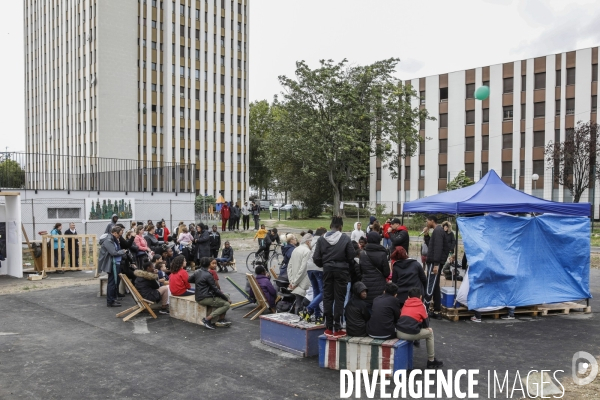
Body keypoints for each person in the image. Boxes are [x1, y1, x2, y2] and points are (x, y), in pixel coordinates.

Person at [313, 216, 355, 338]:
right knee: (339, 299)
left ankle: (328, 327)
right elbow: (351, 255)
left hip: (327, 270)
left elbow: (316, 258)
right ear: (340, 227)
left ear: (330, 226)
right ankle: (337, 328)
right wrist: (345, 264)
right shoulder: (345, 238)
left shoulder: (321, 239)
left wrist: (325, 264)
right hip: (341, 271)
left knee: (327, 297)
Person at [396, 287, 443, 368]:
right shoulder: (422, 306)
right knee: (430, 333)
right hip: (410, 333)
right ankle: (431, 360)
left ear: (408, 297)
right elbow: (426, 324)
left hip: (399, 332)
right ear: (421, 297)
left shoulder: (405, 304)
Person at [189, 256, 232, 329]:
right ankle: (207, 319)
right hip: (204, 298)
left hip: (201, 295)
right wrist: (226, 299)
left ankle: (221, 319)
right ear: (209, 264)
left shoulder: (197, 271)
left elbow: (189, 280)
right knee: (227, 304)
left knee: (226, 296)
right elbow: (215, 290)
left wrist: (199, 282)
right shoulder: (208, 274)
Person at [301, 227, 327, 324]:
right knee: (324, 292)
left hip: (309, 268)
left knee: (316, 292)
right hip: (318, 268)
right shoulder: (322, 241)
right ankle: (309, 309)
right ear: (323, 234)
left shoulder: (311, 241)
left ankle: (317, 316)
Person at [359, 231, 390, 311]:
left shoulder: (363, 253)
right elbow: (387, 273)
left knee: (367, 310)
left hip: (366, 286)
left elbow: (360, 270)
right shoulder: (383, 254)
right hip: (380, 286)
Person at [425, 215, 448, 319]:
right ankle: (437, 310)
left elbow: (438, 248)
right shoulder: (436, 231)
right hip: (434, 261)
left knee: (430, 285)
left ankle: (425, 308)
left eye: (427, 221)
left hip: (434, 263)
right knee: (435, 286)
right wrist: (426, 234)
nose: (426, 223)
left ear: (432, 221)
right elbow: (431, 245)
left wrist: (436, 264)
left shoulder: (438, 231)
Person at [99, 226, 127, 307]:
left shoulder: (112, 239)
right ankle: (110, 301)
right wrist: (122, 251)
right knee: (112, 282)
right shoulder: (108, 240)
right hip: (112, 263)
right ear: (114, 233)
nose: (119, 237)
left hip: (116, 263)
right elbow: (113, 252)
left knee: (115, 282)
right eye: (119, 235)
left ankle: (113, 299)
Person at [287, 234, 312, 314]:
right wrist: (295, 282)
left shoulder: (296, 249)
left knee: (298, 304)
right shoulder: (307, 251)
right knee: (303, 305)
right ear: (308, 242)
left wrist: (292, 281)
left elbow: (289, 266)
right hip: (302, 283)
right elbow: (303, 269)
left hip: (295, 282)